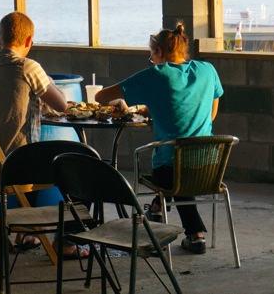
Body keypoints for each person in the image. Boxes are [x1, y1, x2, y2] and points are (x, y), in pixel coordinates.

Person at [94, 22, 223, 255]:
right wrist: (159, 109)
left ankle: (161, 217)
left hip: (170, 169)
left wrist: (132, 104)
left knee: (171, 167)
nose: (151, 60)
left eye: (151, 55)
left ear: (159, 52)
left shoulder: (156, 75)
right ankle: (189, 231)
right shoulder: (207, 70)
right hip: (210, 165)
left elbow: (101, 96)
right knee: (183, 164)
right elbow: (210, 113)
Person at [0, 11, 87, 258]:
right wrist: (46, 81)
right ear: (29, 41)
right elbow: (61, 105)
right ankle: (66, 243)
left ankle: (25, 232)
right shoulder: (28, 67)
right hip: (18, 167)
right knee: (81, 169)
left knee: (32, 154)